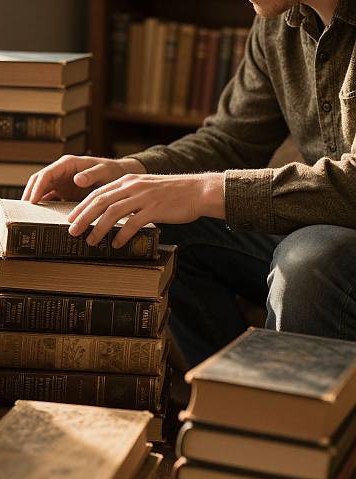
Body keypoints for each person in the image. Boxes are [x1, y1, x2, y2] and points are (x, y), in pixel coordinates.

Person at [22, 0, 356, 369]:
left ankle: (286, 421)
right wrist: (128, 170)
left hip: (331, 246)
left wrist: (201, 191)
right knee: (151, 224)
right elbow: (231, 140)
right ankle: (226, 405)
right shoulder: (279, 24)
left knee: (309, 265)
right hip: (323, 223)